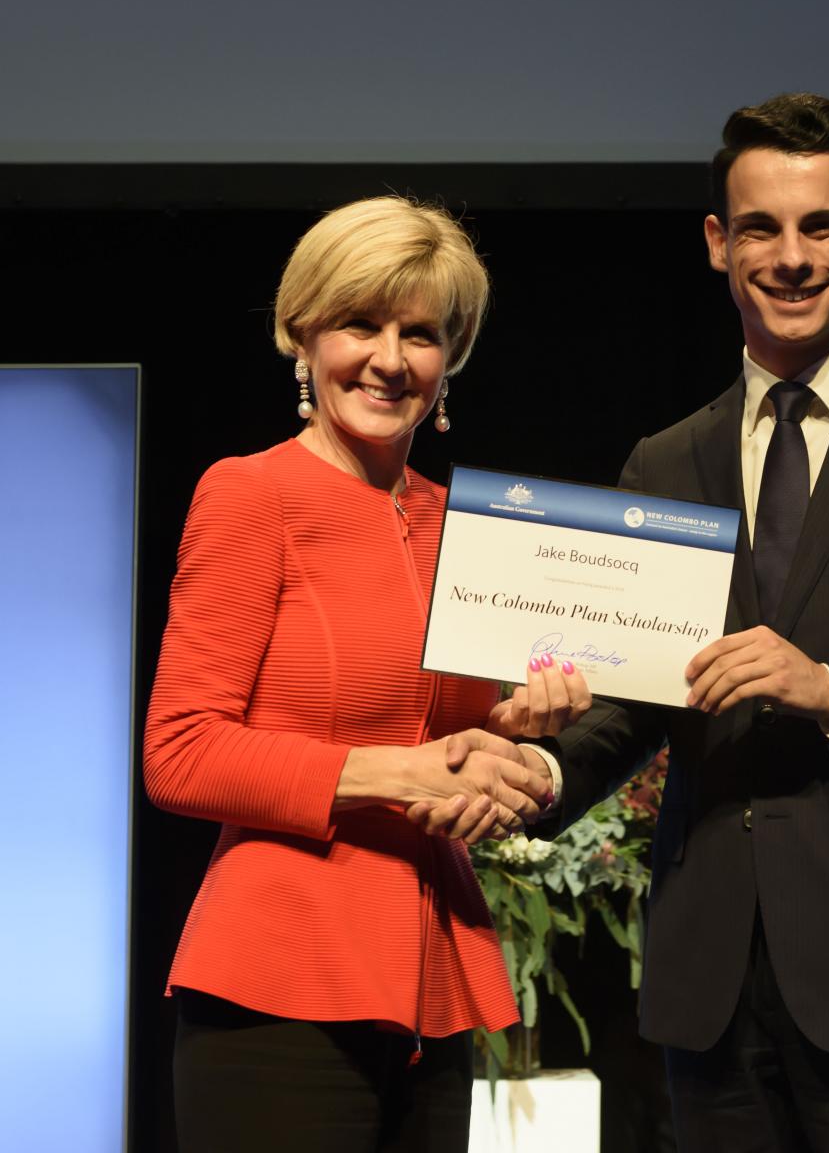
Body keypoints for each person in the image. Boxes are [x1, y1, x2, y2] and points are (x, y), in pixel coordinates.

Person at [437, 93, 829, 1151]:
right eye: (761, 228)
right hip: (710, 986)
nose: (792, 258)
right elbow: (644, 696)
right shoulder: (665, 460)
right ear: (716, 243)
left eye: (821, 226)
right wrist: (548, 768)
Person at [143, 195, 588, 1153]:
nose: (390, 358)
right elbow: (179, 755)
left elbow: (451, 736)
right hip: (280, 986)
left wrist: (523, 729)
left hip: (432, 984)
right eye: (360, 322)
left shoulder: (464, 525)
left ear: (450, 359)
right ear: (301, 334)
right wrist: (396, 773)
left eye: (421, 333)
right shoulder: (247, 494)